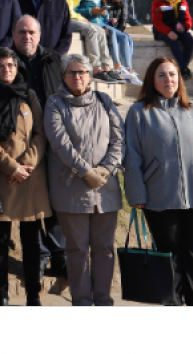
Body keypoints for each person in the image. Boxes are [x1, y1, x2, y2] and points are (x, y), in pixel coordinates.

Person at [124, 57, 193, 307]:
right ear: (152, 81)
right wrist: (136, 194)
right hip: (159, 196)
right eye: (162, 75)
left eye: (173, 74)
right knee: (169, 257)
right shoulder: (138, 112)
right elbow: (131, 156)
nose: (169, 80)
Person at [43, 53, 124, 307]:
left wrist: (107, 169)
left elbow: (119, 138)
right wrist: (85, 171)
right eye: (72, 72)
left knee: (105, 249)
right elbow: (60, 143)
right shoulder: (54, 103)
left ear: (90, 76)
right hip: (71, 190)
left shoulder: (104, 101)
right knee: (77, 250)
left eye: (82, 72)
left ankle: (103, 302)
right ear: (63, 76)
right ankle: (81, 303)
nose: (77, 77)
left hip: (105, 188)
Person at [0, 48, 51, 307]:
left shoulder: (28, 95)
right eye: (0, 65)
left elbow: (41, 133)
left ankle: (33, 295)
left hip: (30, 178)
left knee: (32, 241)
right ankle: (2, 296)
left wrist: (27, 163)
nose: (6, 70)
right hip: (3, 178)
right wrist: (11, 168)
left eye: (11, 65)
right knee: (0, 240)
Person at [11, 15, 68, 280]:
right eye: (22, 32)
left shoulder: (53, 59)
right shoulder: (7, 61)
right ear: (14, 35)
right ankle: (39, 255)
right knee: (30, 200)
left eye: (32, 32)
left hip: (53, 137)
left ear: (40, 34)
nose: (27, 37)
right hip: (22, 141)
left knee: (54, 199)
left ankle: (60, 255)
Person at [46, 0, 117, 81]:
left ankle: (106, 67)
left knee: (100, 30)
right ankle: (95, 69)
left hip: (68, 17)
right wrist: (78, 17)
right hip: (60, 19)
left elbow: (71, 4)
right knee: (91, 29)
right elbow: (61, 7)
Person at [76, 0, 133, 83]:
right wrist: (91, 11)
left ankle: (127, 68)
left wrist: (105, 14)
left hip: (102, 23)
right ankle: (116, 66)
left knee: (125, 38)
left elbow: (103, 13)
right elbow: (75, 9)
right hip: (91, 23)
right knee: (111, 34)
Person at [151, 0, 193, 79]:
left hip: (179, 29)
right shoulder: (157, 3)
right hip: (162, 31)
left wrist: (185, 27)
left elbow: (188, 18)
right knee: (173, 40)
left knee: (190, 40)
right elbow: (157, 22)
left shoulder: (183, 1)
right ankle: (184, 68)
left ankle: (183, 68)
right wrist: (168, 31)